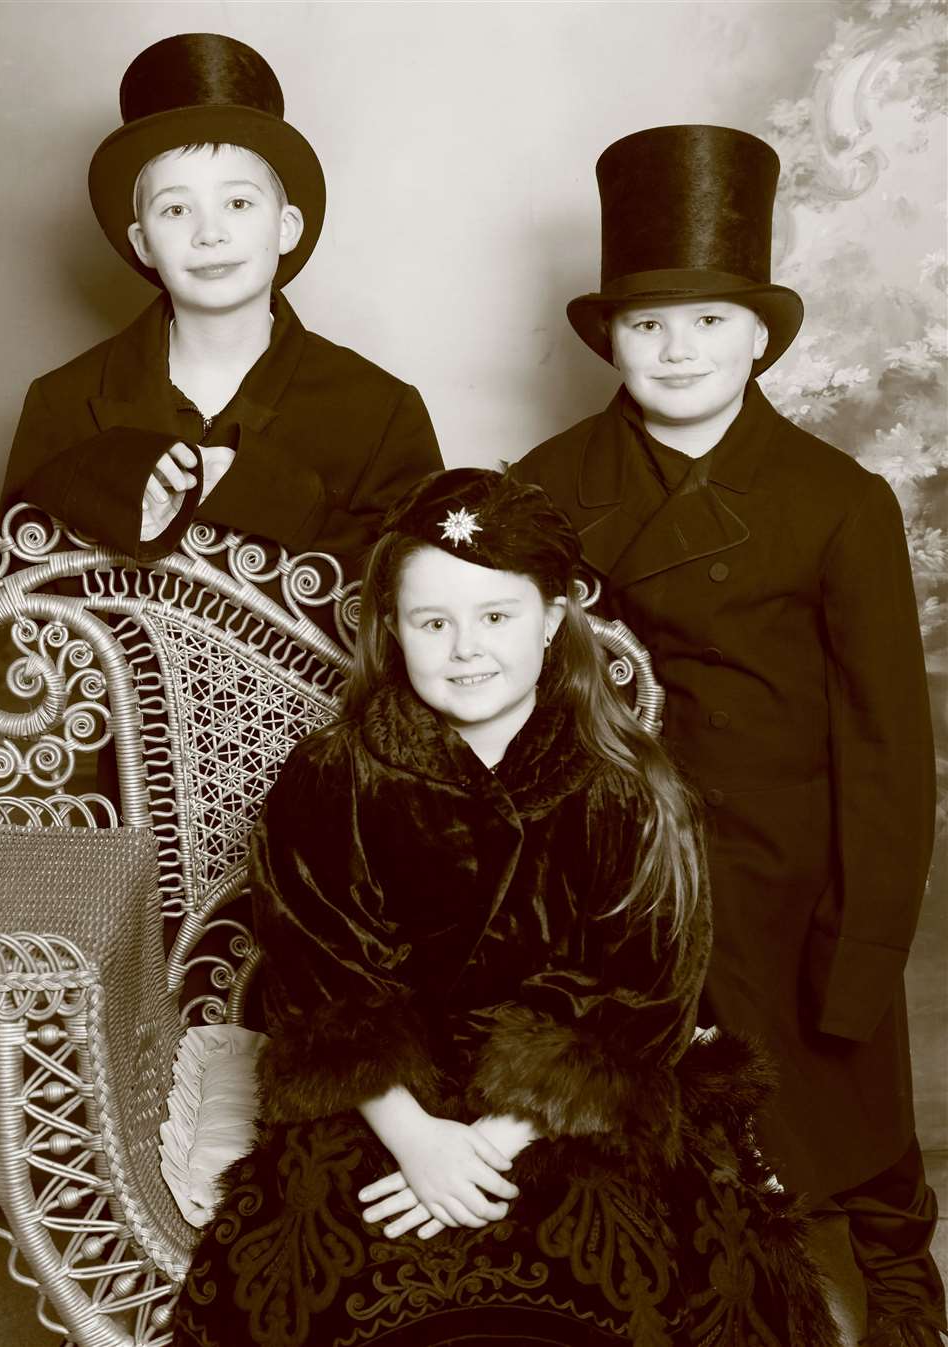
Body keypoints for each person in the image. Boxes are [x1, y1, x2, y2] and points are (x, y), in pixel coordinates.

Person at [173, 468, 839, 1347]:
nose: (465, 649)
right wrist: (420, 1141)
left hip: (567, 1098)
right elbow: (320, 980)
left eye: (496, 616)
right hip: (383, 1095)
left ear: (555, 616)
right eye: (432, 622)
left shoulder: (631, 787)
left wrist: (489, 1142)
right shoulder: (332, 776)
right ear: (392, 629)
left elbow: (644, 988)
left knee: (608, 1276)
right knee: (356, 1285)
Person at [514, 124, 944, 1347]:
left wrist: (865, 939)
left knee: (843, 1087)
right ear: (608, 340)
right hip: (625, 863)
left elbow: (887, 752)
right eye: (649, 324)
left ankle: (901, 1265)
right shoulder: (546, 487)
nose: (680, 348)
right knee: (658, 1108)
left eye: (710, 321)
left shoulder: (839, 501)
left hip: (795, 864)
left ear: (760, 336)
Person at [0, 32, 441, 572]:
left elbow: (417, 601)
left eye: (237, 202)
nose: (210, 234)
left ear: (286, 227)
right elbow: (18, 606)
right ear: (142, 243)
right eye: (175, 210)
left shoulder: (383, 410)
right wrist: (101, 499)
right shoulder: (61, 401)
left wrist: (270, 494)